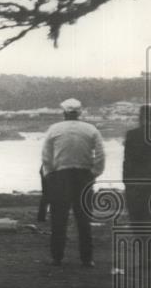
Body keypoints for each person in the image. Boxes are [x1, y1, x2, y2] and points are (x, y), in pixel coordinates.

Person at [41, 98, 105, 267]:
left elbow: (46, 156)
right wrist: (94, 173)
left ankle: (57, 257)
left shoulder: (54, 129)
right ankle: (86, 258)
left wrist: (50, 174)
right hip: (84, 176)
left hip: (61, 176)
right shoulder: (91, 130)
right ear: (80, 113)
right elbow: (100, 155)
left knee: (59, 219)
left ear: (64, 113)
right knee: (84, 219)